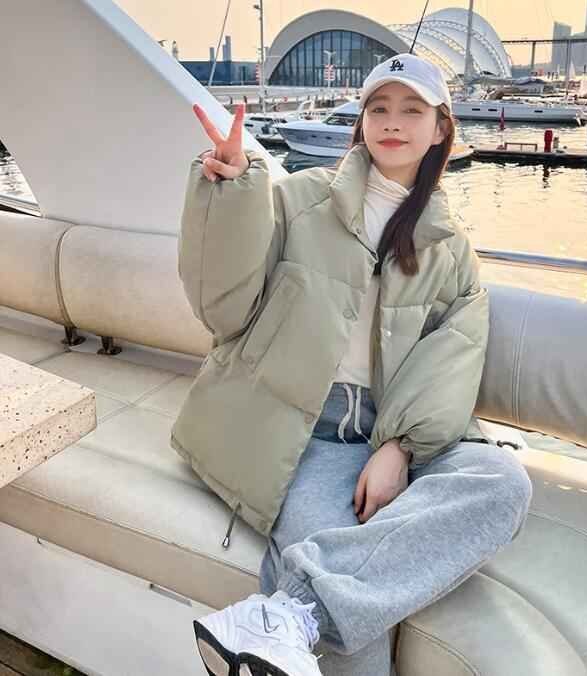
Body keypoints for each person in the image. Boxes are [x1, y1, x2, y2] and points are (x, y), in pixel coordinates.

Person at [174, 53, 533, 676]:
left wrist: (398, 447)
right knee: (360, 629)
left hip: (394, 428)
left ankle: (290, 615)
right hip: (300, 429)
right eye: (379, 108)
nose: (393, 122)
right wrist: (229, 193)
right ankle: (299, 616)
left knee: (503, 483)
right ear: (361, 121)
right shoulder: (298, 199)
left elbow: (453, 353)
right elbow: (223, 307)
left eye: (412, 110)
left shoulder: (450, 246)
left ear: (440, 128)